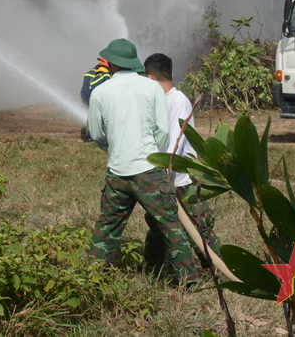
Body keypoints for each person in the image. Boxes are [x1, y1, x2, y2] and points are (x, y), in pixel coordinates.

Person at [86, 38, 199, 285]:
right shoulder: (152, 89)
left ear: (112, 64)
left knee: (106, 230)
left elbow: (96, 135)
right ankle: (190, 280)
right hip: (149, 171)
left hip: (117, 173)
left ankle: (90, 278)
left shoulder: (100, 92)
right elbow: (162, 132)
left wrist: (114, 148)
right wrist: (152, 156)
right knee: (171, 227)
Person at [143, 53, 220, 266]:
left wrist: (163, 171)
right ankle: (152, 267)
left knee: (198, 225)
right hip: (164, 175)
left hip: (181, 180)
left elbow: (175, 140)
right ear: (171, 74)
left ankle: (215, 266)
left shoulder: (178, 101)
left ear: (149, 78)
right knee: (159, 226)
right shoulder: (157, 100)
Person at [79, 57, 111, 141]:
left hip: (84, 95)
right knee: (94, 116)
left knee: (88, 113)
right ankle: (90, 137)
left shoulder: (91, 71)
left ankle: (84, 130)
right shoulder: (103, 72)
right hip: (91, 95)